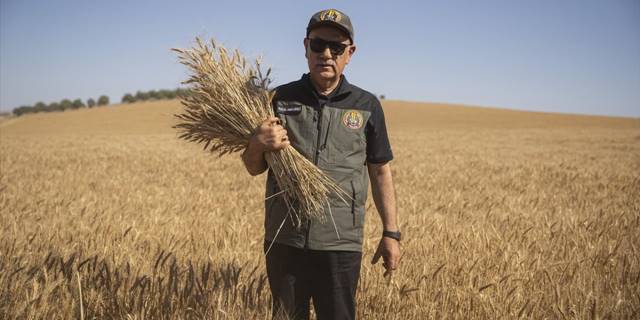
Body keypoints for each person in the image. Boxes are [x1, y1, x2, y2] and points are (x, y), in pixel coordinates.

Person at [241, 8, 401, 320]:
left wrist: (391, 234)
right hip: (285, 238)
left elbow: (380, 170)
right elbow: (252, 166)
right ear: (305, 47)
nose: (326, 54)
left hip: (340, 243)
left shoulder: (366, 106)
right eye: (318, 45)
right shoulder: (277, 99)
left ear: (350, 53)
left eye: (336, 47)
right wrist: (257, 142)